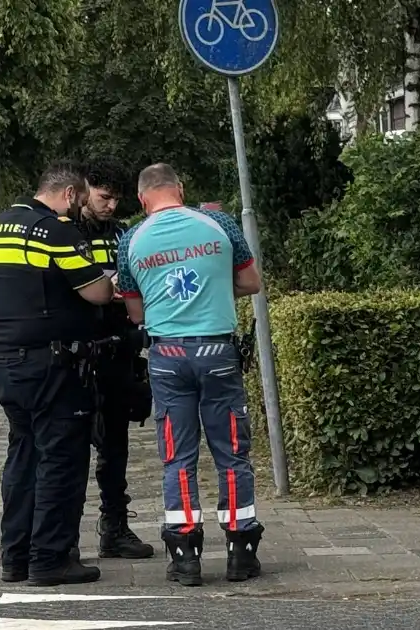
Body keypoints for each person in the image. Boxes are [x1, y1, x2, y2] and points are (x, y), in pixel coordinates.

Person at [115, 163, 265, 586]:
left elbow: (136, 311)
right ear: (179, 188)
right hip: (218, 351)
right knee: (232, 452)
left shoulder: (131, 241)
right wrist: (214, 287)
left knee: (177, 456)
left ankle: (184, 558)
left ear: (142, 198)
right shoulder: (218, 223)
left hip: (167, 355)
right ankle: (240, 551)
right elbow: (251, 282)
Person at [0, 160, 114, 586]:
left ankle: (15, 557)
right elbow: (96, 292)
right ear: (71, 195)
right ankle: (51, 559)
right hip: (51, 364)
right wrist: (108, 282)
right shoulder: (56, 231)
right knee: (61, 459)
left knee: (23, 455)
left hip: (5, 362)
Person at [70, 157, 155, 561]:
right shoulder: (67, 233)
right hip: (80, 352)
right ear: (85, 189)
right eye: (104, 198)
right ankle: (65, 534)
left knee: (116, 447)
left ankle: (115, 526)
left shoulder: (123, 235)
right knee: (68, 447)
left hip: (120, 349)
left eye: (118, 200)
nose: (111, 207)